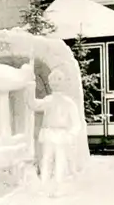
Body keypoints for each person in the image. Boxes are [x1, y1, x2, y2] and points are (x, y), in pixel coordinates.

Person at [23, 66, 81, 196]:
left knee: (60, 161)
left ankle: (59, 187)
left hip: (62, 135)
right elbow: (33, 105)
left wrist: (71, 134)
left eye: (59, 79)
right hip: (49, 134)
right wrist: (30, 87)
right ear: (50, 82)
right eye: (53, 79)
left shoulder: (69, 103)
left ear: (64, 82)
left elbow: (76, 123)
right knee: (46, 160)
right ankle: (44, 187)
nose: (56, 82)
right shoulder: (48, 100)